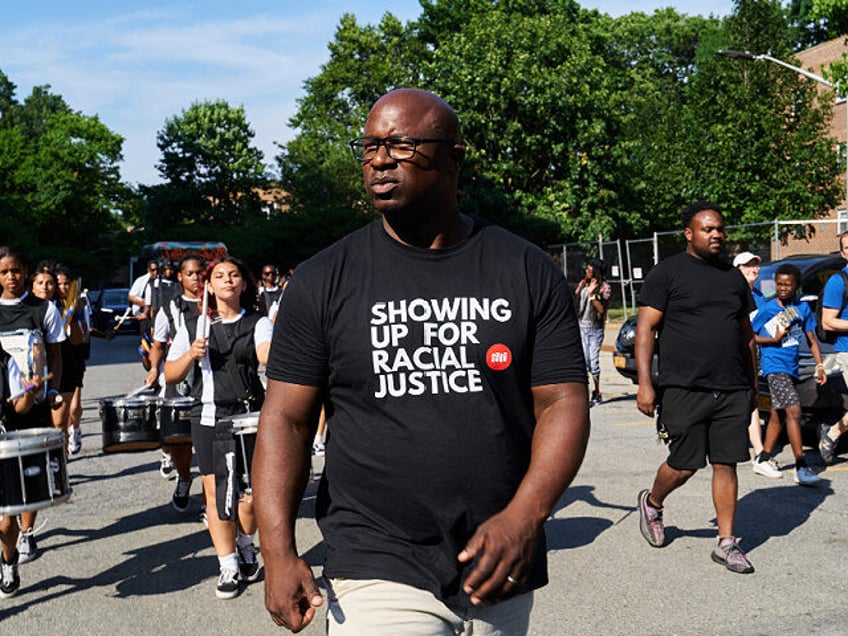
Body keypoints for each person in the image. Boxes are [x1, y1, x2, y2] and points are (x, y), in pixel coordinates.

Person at [254, 88, 590, 634]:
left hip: (499, 559)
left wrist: (526, 515)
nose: (380, 159)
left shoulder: (526, 270)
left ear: (455, 157)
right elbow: (286, 418)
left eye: (402, 145)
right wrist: (277, 550)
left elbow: (563, 402)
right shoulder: (323, 280)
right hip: (374, 561)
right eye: (369, 146)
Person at [635, 201, 757, 574]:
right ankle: (653, 502)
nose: (717, 234)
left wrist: (753, 385)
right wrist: (645, 384)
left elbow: (745, 334)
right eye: (707, 229)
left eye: (720, 228)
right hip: (683, 385)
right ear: (689, 234)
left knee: (727, 462)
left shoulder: (733, 277)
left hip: (731, 385)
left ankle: (726, 542)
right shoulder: (667, 273)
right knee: (685, 464)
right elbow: (645, 329)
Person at [164, 255, 271, 600]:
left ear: (243, 283)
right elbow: (170, 374)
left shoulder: (258, 321)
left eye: (234, 275)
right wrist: (189, 356)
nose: (228, 280)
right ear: (208, 286)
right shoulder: (193, 324)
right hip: (208, 417)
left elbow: (267, 353)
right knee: (215, 495)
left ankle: (245, 542)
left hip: (251, 416)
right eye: (220, 276)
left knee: (251, 497)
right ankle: (227, 565)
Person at [0, 246, 65, 565]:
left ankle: (26, 533)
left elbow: (54, 353)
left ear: (25, 270)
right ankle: (9, 543)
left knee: (27, 476)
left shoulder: (43, 309)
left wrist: (50, 388)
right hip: (3, 404)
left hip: (31, 404)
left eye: (15, 270)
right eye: (4, 272)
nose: (11, 277)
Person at [751, 264, 824, 485]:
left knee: (778, 415)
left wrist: (820, 365)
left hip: (792, 368)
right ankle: (801, 466)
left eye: (787, 285)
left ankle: (763, 458)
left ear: (796, 286)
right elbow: (748, 336)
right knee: (794, 411)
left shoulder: (801, 309)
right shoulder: (767, 309)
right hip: (773, 368)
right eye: (779, 284)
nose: (782, 288)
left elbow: (812, 341)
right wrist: (771, 340)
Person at [146, 254, 204, 505]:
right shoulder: (169, 308)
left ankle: (212, 499)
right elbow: (158, 344)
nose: (196, 278)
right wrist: (153, 368)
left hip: (210, 377)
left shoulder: (215, 303)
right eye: (190, 274)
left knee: (209, 437)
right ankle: (184, 476)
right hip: (178, 378)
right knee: (180, 439)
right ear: (180, 276)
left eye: (200, 273)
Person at [0, 344, 47, 598]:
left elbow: (19, 406)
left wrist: (30, 393)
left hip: (2, 445)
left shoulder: (5, 362)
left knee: (7, 523)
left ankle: (8, 560)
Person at [732, 251, 776, 476]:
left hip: (755, 356)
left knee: (752, 401)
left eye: (756, 265)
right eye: (748, 265)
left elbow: (766, 326)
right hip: (733, 357)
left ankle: (759, 452)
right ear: (738, 269)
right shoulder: (731, 295)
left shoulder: (760, 295)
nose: (754, 269)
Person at [818, 231, 848, 464]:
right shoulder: (839, 281)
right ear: (842, 253)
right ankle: (832, 433)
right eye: (847, 248)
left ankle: (831, 431)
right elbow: (828, 321)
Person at [575, 258, 611, 406]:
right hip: (581, 326)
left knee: (593, 363)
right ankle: (585, 394)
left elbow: (602, 309)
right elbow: (576, 299)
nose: (586, 272)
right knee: (584, 363)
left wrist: (592, 295)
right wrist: (581, 289)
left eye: (589, 270)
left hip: (595, 329)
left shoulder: (604, 287)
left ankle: (597, 392)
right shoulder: (583, 283)